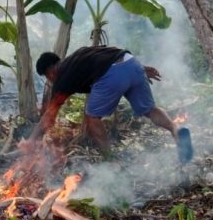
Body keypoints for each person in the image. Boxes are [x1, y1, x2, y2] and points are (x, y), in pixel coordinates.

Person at [32, 46, 178, 150]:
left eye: (47, 76)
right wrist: (141, 68)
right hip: (132, 63)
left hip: (113, 73)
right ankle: (175, 129)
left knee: (92, 118)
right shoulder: (79, 55)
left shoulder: (62, 78)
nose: (49, 80)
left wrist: (31, 140)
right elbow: (109, 56)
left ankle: (109, 159)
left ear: (50, 72)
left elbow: (48, 117)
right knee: (150, 109)